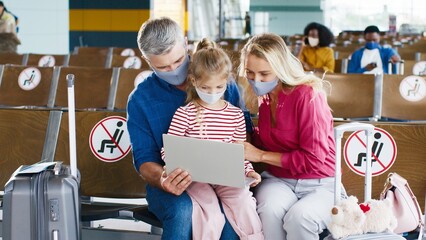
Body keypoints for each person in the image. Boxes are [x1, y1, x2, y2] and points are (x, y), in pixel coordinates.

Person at [127, 17, 251, 240]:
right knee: (183, 210)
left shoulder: (221, 83)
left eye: (178, 60)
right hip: (170, 182)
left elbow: (243, 135)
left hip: (223, 178)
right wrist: (163, 179)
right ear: (147, 61)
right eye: (162, 67)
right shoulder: (140, 99)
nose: (174, 70)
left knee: (233, 212)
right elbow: (144, 159)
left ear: (186, 44)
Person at [239, 33, 339, 240]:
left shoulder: (308, 96)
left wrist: (260, 155)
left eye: (264, 74)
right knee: (268, 210)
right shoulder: (264, 98)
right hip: (279, 179)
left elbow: (312, 159)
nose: (256, 80)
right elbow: (270, 138)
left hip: (321, 182)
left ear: (280, 68)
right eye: (249, 72)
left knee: (300, 218)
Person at [161, 38, 263, 240]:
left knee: (245, 203)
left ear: (227, 83)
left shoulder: (234, 115)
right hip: (195, 179)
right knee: (209, 212)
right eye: (206, 88)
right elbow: (169, 149)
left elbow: (239, 152)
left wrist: (249, 172)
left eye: (219, 87)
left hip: (227, 177)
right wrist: (172, 165)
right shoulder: (185, 113)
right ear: (194, 81)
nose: (213, 93)